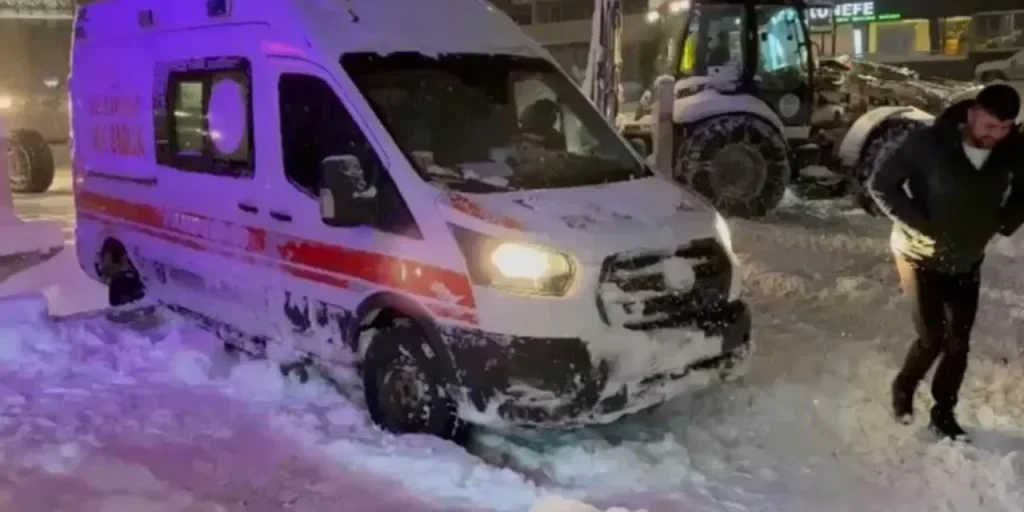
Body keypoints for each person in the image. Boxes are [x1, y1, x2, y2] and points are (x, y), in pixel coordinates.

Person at [868, 83, 1024, 441]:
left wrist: (1008, 217)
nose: (995, 136)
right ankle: (905, 385)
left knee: (958, 341)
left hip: (967, 257)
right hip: (918, 252)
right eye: (989, 126)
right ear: (972, 113)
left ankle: (943, 411)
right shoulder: (929, 142)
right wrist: (920, 224)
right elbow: (882, 183)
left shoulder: (1012, 150)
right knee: (933, 336)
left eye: (1004, 129)